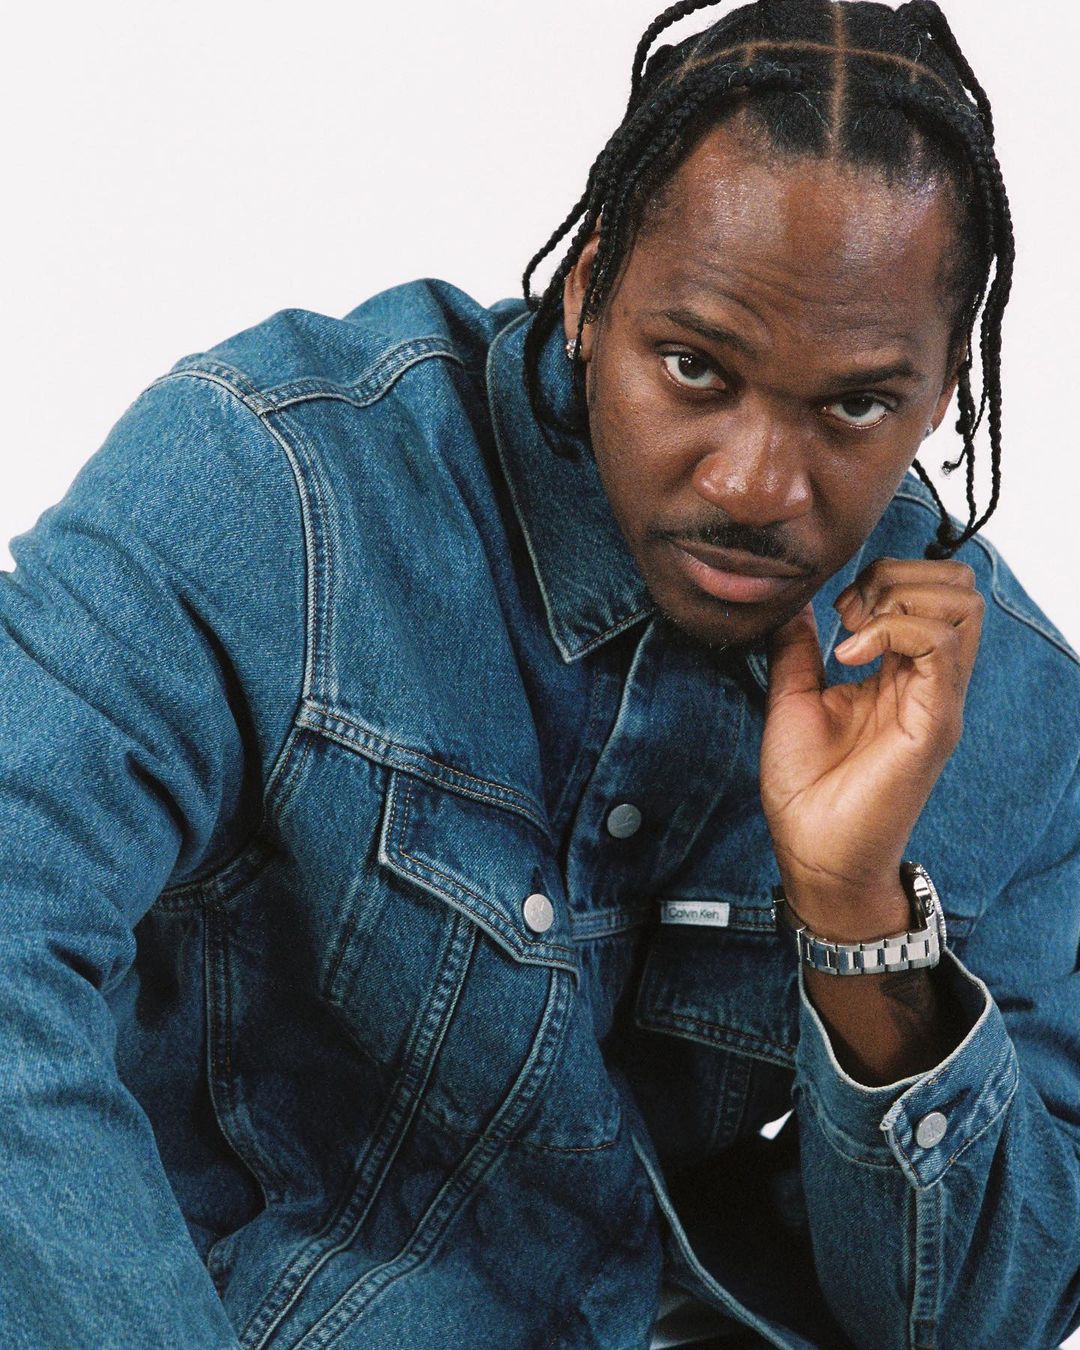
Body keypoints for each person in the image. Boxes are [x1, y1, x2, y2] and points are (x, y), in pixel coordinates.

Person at [1, 0, 1077, 1345]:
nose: (756, 485)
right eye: (694, 367)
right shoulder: (279, 490)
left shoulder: (1003, 718)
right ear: (587, 288)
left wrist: (856, 915)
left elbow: (982, 1314)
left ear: (944, 386)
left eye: (855, 404)